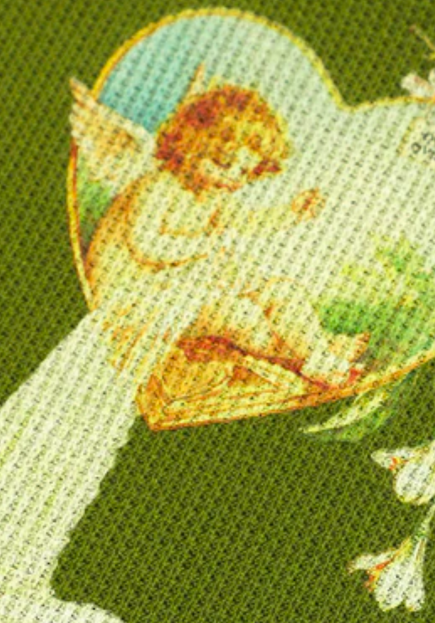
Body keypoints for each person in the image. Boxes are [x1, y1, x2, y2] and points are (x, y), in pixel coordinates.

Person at [84, 81, 366, 391]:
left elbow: (247, 221)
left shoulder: (212, 193)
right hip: (135, 298)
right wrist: (204, 246)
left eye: (244, 172)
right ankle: (303, 356)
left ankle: (319, 355)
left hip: (180, 291)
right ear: (190, 147)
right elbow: (146, 246)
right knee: (242, 316)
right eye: (223, 163)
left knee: (282, 291)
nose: (231, 178)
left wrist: (291, 213)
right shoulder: (158, 186)